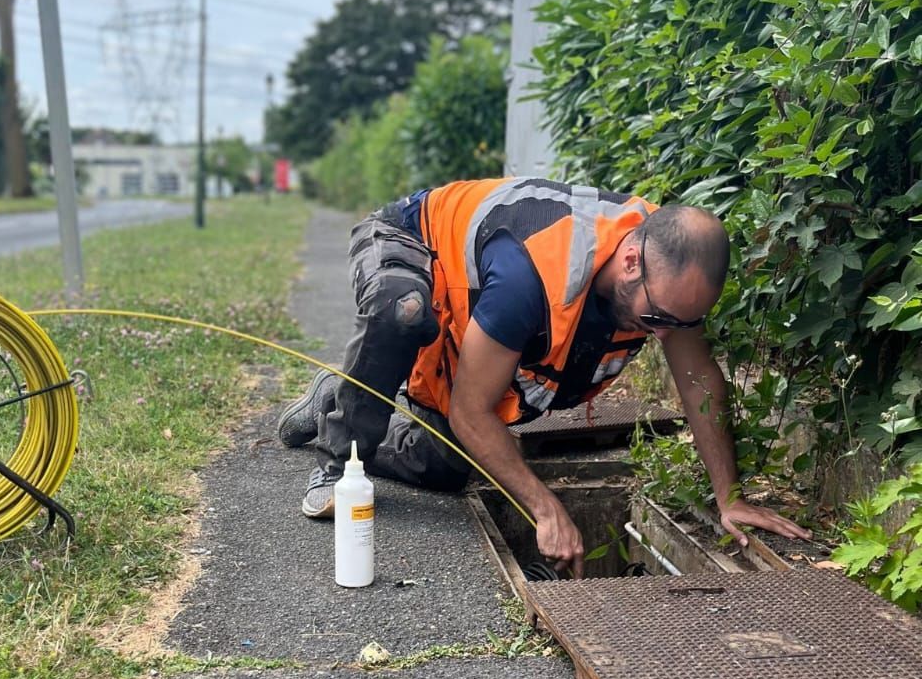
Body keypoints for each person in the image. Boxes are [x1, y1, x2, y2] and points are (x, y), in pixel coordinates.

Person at [277, 177, 809, 577]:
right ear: (629, 262)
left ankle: (336, 399)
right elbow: (471, 411)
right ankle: (338, 450)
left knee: (447, 466)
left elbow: (699, 382)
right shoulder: (529, 279)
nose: (668, 337)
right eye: (658, 321)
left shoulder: (667, 270)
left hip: (476, 304)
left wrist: (729, 497)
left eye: (684, 323)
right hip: (411, 241)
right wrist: (545, 506)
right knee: (404, 309)